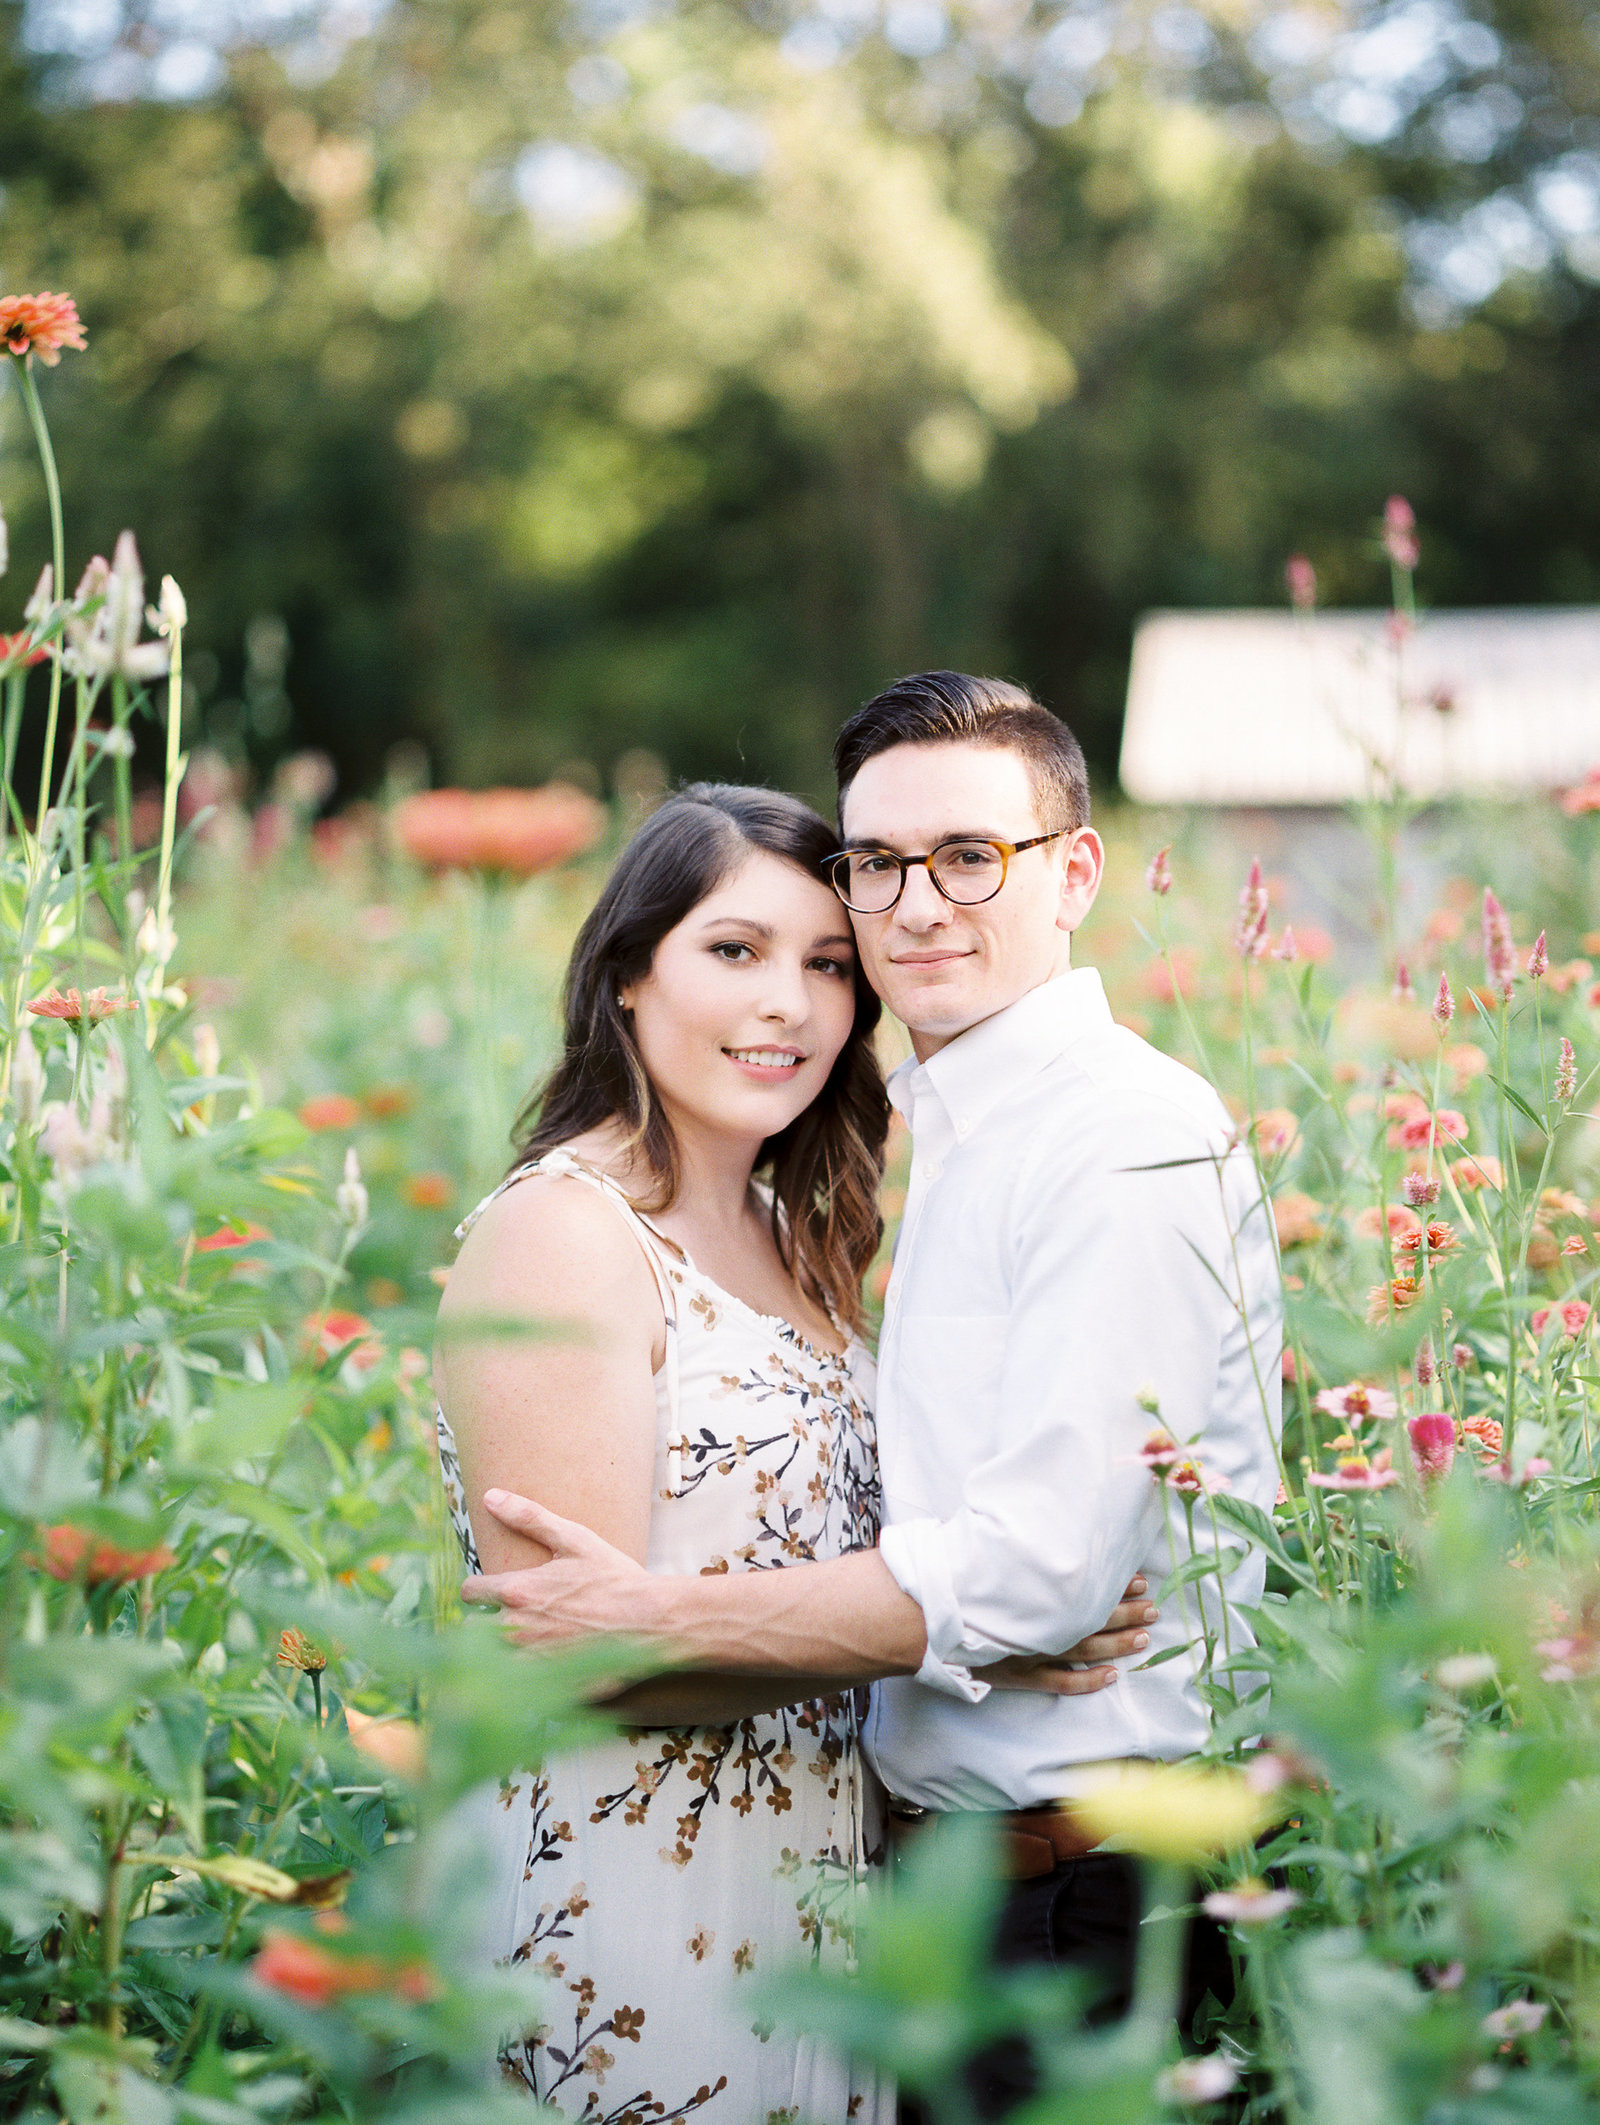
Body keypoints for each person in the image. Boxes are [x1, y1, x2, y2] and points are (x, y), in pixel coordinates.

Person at [463, 677, 1284, 2113]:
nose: (909, 913)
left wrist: (949, 1622)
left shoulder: (1103, 1140)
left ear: (1074, 871)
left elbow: (1029, 1570)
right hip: (681, 1899)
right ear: (630, 973)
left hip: (1034, 1891)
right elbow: (567, 1645)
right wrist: (941, 1637)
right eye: (877, 871)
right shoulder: (597, 1226)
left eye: (972, 856)